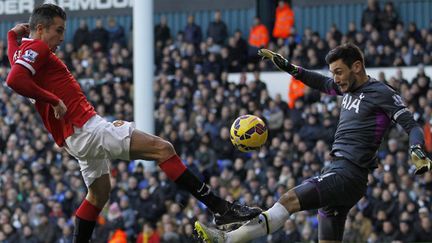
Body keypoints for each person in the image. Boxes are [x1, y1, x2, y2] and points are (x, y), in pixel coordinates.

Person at [5, 4, 261, 243]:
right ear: (40, 29)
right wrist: (54, 100)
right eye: (58, 31)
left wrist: (10, 37)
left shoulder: (25, 50)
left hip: (77, 135)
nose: (61, 38)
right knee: (164, 149)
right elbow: (14, 80)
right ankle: (221, 209)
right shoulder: (38, 49)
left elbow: (14, 62)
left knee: (98, 195)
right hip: (85, 129)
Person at [194, 43, 432, 242]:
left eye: (338, 72)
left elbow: (412, 125)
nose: (335, 78)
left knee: (287, 200)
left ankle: (227, 239)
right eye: (333, 72)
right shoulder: (347, 88)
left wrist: (416, 149)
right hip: (342, 174)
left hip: (348, 173)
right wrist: (290, 67)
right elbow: (318, 81)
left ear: (357, 66)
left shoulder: (382, 93)